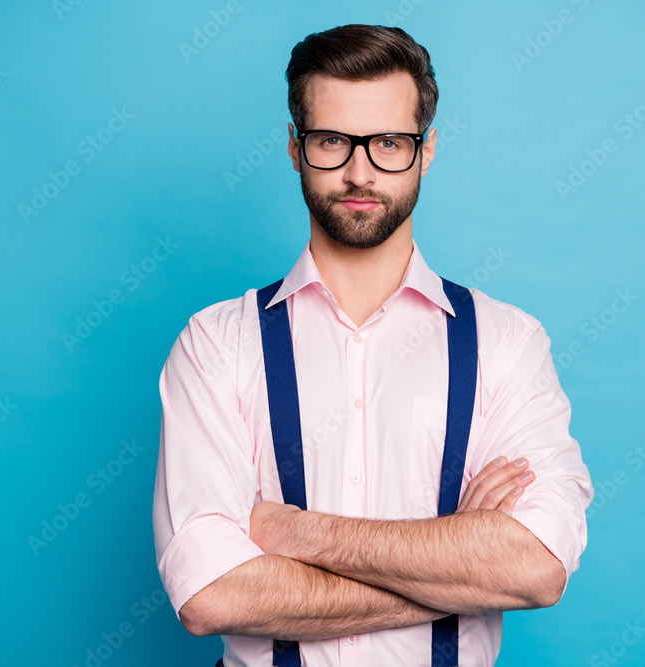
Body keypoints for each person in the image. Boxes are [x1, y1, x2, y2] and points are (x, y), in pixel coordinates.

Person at [152, 23, 593, 667]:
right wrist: (460, 566)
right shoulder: (217, 343)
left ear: (427, 149)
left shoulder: (507, 342)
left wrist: (294, 533)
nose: (361, 172)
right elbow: (210, 593)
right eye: (333, 141)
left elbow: (536, 568)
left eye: (388, 142)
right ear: (297, 150)